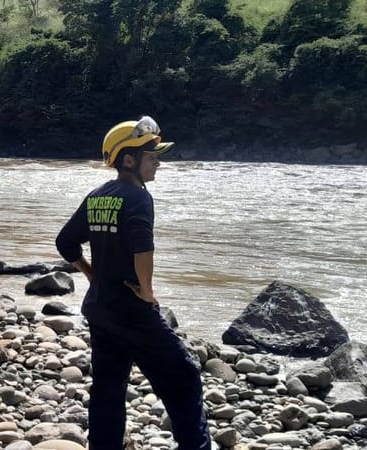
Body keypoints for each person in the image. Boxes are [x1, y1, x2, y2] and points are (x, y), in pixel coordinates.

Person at [55, 116, 210, 450]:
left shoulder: (97, 196)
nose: (157, 162)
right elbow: (143, 248)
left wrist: (90, 273)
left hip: (100, 307)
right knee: (184, 377)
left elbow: (65, 242)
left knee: (108, 388)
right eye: (151, 155)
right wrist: (148, 292)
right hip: (131, 310)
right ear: (128, 160)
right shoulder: (138, 197)